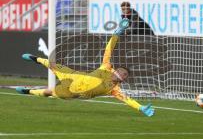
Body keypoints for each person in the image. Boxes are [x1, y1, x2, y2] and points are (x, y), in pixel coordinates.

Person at [16, 18, 154, 117]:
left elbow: (127, 100)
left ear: (123, 80)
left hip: (72, 92)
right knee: (53, 65)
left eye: (124, 75)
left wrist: (140, 107)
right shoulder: (106, 67)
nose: (121, 74)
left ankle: (28, 92)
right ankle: (36, 58)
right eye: (121, 71)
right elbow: (108, 49)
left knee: (49, 93)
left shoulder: (114, 90)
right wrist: (117, 32)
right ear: (116, 70)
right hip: (74, 76)